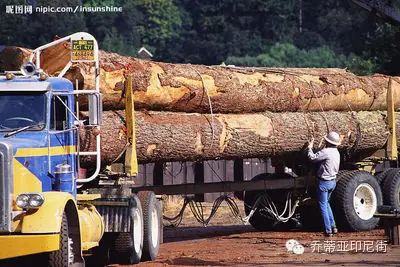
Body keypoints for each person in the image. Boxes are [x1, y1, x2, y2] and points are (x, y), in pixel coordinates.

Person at [307, 131, 341, 237]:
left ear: (327, 141)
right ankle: (334, 226)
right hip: (332, 182)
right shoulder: (336, 152)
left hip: (324, 182)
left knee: (322, 206)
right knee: (327, 204)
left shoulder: (326, 151)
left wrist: (309, 147)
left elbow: (312, 158)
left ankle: (328, 230)